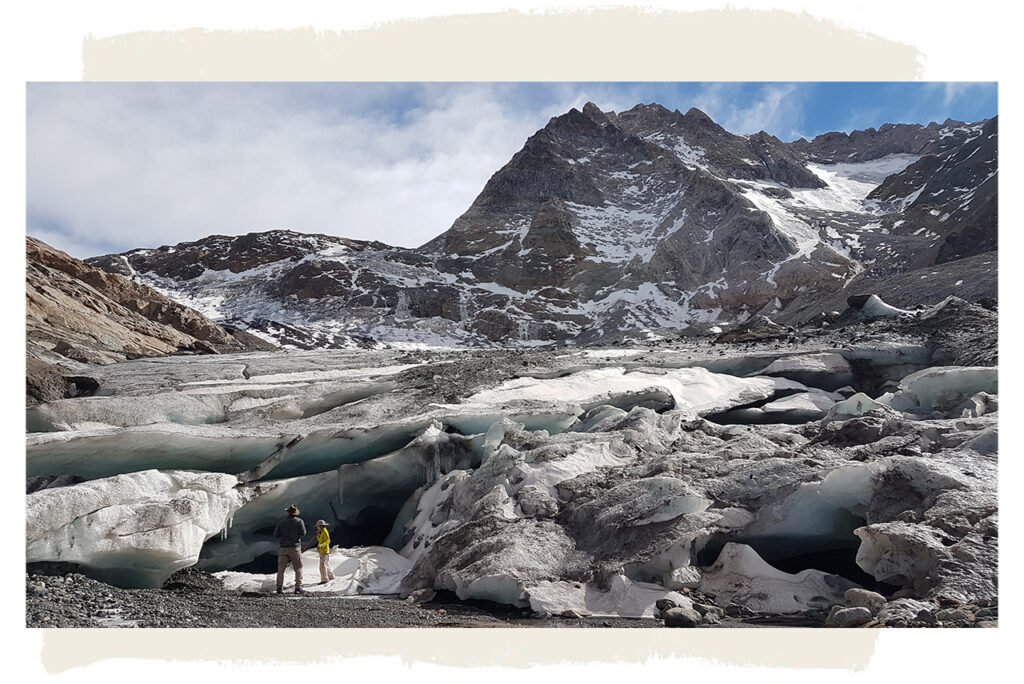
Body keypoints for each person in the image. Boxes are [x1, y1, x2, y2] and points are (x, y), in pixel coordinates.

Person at [273, 504, 306, 594]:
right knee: (298, 568)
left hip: (283, 548)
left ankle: (279, 587)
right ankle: (298, 587)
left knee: (281, 569)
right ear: (295, 513)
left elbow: (276, 534)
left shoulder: (281, 522)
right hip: (295, 547)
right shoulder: (299, 521)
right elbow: (303, 533)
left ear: (288, 512)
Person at [314, 520, 336, 584]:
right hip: (322, 551)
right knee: (326, 564)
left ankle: (324, 579)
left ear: (321, 526)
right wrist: (318, 535)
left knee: (322, 566)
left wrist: (321, 545)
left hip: (324, 551)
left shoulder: (325, 532)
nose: (317, 528)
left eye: (318, 526)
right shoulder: (322, 532)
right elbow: (321, 540)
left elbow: (328, 541)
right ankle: (331, 576)